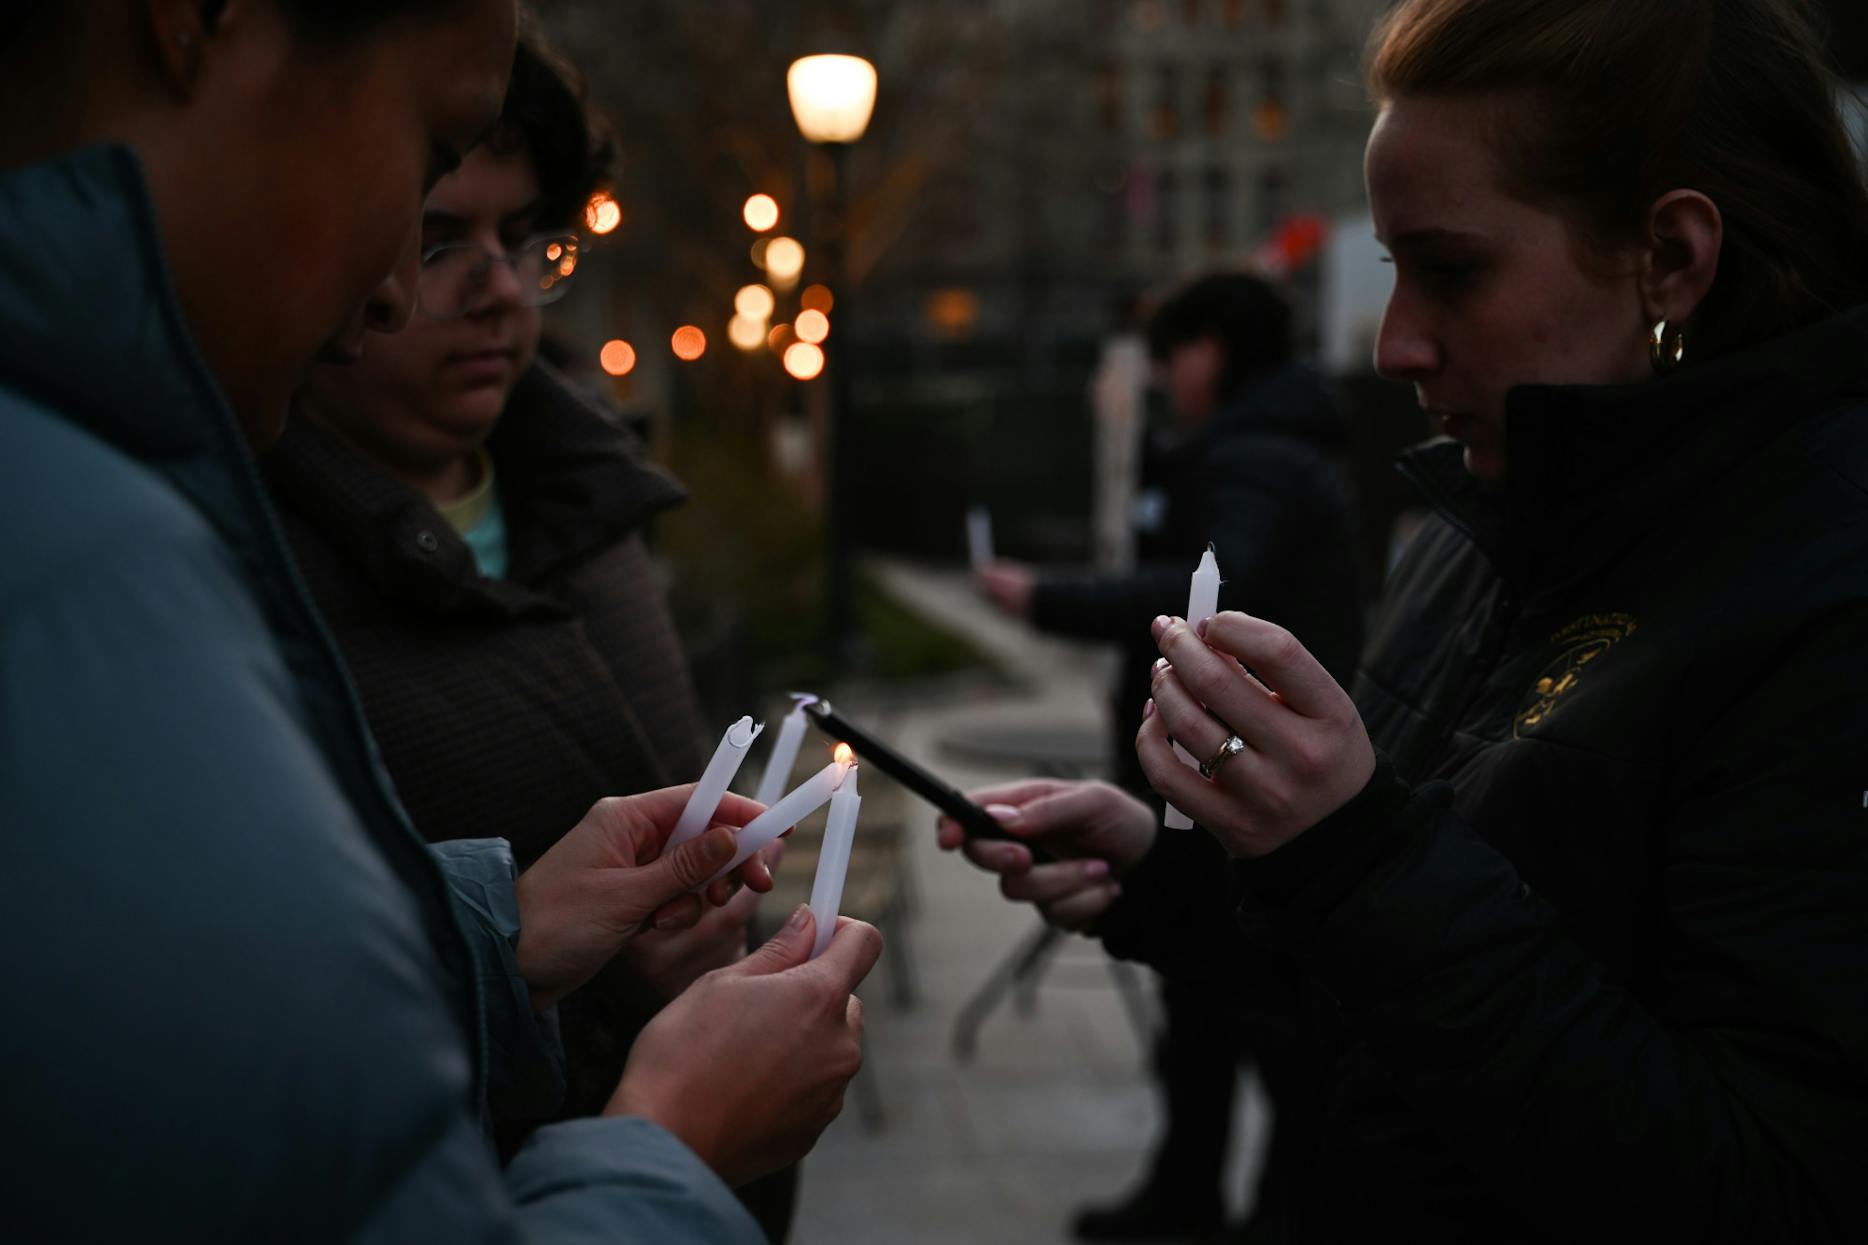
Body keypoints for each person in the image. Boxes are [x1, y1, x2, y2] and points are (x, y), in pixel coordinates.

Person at [941, 0, 1868, 1239]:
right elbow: (1388, 990)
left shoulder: (1821, 600)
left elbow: (1768, 1181)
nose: (1392, 346)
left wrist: (1350, 854)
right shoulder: (1482, 528)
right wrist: (1170, 876)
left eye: (1451, 269)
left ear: (1670, 258)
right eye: (1391, 271)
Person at [0, 2, 876, 1240]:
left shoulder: (105, 511)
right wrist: (671, 1149)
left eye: (525, 239)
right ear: (197, 24)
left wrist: (490, 938)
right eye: (425, 167)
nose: (405, 293)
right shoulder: (88, 567)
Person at [264, 23, 798, 1233]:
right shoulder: (249, 555)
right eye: (439, 236)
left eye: (524, 239)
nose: (497, 288)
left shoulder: (590, 498)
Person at [978, 273, 1362, 1242]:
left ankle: (1271, 1210)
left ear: (1217, 349)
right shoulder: (1249, 447)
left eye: (1176, 351)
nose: (1163, 374)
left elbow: (1209, 597)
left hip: (1240, 784)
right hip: (1216, 776)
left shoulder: (1260, 457)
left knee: (1263, 1020)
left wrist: (1045, 599)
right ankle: (1187, 1193)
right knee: (1197, 1007)